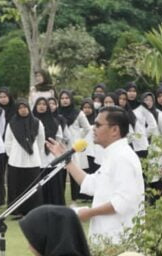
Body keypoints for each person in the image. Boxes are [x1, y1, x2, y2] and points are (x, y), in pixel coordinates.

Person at [49, 106, 144, 243]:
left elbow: (122, 202)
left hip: (119, 239)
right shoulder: (113, 155)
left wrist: (89, 213)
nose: (93, 128)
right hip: (106, 237)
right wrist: (67, 161)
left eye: (98, 125)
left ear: (115, 130)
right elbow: (91, 184)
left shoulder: (123, 157)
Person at [4, 99, 45, 219]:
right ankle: (17, 211)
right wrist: (13, 155)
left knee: (32, 187)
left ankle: (33, 211)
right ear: (17, 109)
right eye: (20, 107)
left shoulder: (37, 122)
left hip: (33, 161)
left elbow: (41, 140)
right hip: (15, 161)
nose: (23, 110)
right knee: (16, 187)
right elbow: (8, 141)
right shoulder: (12, 123)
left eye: (25, 107)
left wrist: (36, 153)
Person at [57, 91, 91, 202]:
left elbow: (87, 128)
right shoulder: (56, 113)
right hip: (61, 146)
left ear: (71, 99)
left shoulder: (78, 113)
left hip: (74, 147)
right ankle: (60, 197)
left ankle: (76, 197)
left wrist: (78, 138)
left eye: (67, 98)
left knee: (75, 171)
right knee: (60, 173)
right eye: (62, 98)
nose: (65, 100)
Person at [34, 97, 67, 206]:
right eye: (39, 104)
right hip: (36, 156)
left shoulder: (54, 122)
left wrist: (53, 148)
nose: (42, 106)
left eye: (44, 104)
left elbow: (59, 137)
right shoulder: (32, 122)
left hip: (50, 156)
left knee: (52, 180)